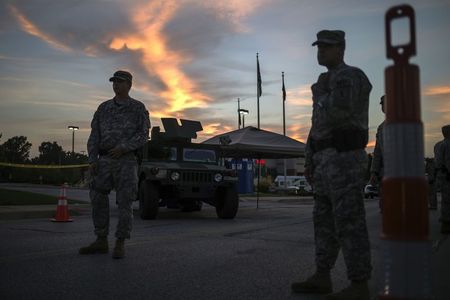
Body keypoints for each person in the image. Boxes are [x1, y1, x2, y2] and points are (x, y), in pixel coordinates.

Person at [291, 30, 372, 300]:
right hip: (325, 160)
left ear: (341, 48)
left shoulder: (350, 76)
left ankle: (359, 284)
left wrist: (320, 92)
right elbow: (317, 127)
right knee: (323, 221)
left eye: (327, 47)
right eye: (319, 47)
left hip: (345, 158)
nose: (321, 51)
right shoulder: (325, 81)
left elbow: (340, 112)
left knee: (349, 221)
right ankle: (322, 275)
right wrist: (309, 159)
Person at [79, 70, 150, 258]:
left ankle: (120, 242)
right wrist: (92, 159)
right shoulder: (103, 108)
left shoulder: (138, 108)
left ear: (129, 85)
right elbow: (94, 135)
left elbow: (143, 134)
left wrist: (125, 147)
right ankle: (101, 240)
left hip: (126, 161)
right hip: (104, 161)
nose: (116, 84)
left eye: (120, 81)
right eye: (114, 81)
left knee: (125, 202)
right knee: (97, 198)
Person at [369, 95, 385, 212]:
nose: (383, 106)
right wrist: (374, 172)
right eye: (382, 104)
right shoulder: (381, 128)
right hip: (385, 172)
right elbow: (377, 152)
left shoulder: (403, 124)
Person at [435, 125, 450, 234]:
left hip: (442, 174)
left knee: (446, 200)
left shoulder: (438, 145)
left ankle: (445, 223)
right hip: (447, 174)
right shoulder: (447, 144)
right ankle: (445, 224)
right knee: (447, 200)